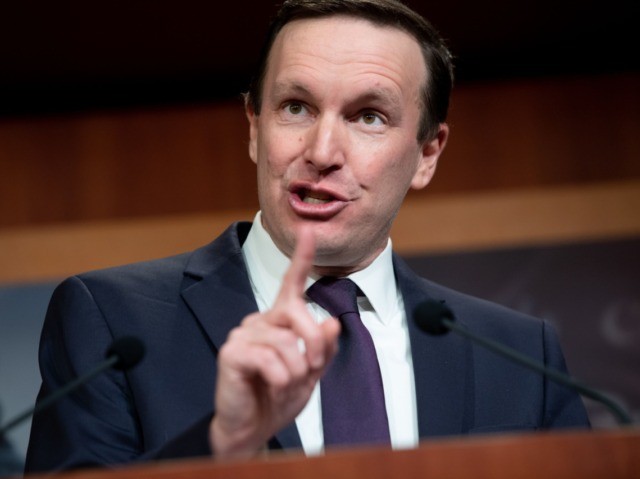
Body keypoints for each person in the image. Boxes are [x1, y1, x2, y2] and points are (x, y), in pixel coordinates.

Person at [25, 0, 589, 472]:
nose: (320, 153)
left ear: (427, 154)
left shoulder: (519, 354)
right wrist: (224, 444)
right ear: (254, 128)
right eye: (296, 107)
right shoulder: (113, 322)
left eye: (368, 116)